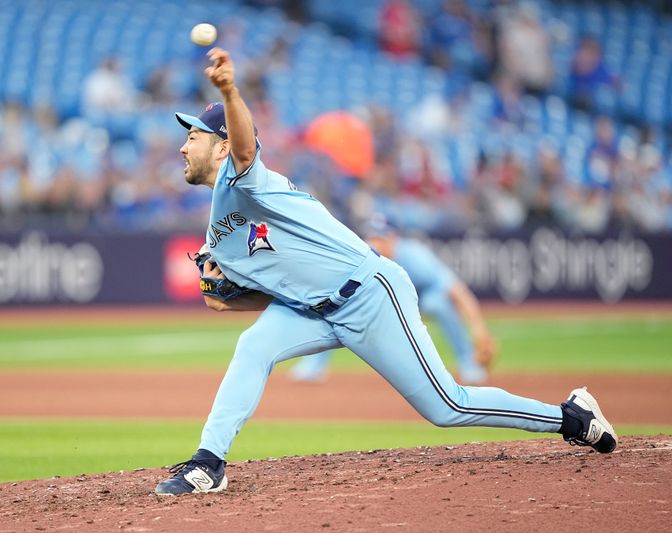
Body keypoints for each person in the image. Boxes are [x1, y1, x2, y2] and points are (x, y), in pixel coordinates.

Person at [155, 47, 618, 496]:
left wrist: (232, 92)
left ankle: (571, 417)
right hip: (309, 309)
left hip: (369, 294)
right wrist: (221, 294)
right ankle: (208, 463)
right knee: (253, 345)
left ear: (217, 149)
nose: (182, 146)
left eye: (193, 136)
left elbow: (243, 146)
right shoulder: (216, 234)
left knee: (448, 406)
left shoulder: (247, 179)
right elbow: (225, 298)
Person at [290, 222, 495, 385]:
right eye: (371, 237)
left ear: (394, 239)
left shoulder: (414, 256)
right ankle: (315, 364)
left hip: (421, 299)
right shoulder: (363, 257)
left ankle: (467, 362)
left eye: (381, 237)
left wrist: (479, 330)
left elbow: (457, 291)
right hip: (388, 299)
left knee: (438, 304)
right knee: (341, 306)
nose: (375, 243)